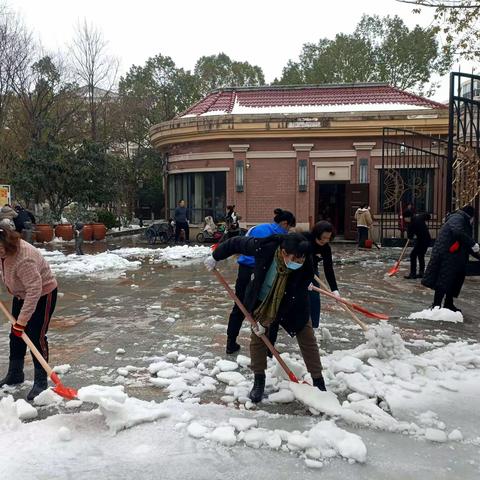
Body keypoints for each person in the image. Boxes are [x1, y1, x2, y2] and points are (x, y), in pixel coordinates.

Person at [205, 233, 327, 403]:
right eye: (295, 259)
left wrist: (269, 320)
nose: (298, 263)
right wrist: (215, 256)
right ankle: (259, 380)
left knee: (307, 337)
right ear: (283, 252)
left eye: (301, 260)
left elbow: (294, 295)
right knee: (258, 338)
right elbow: (235, 242)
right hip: (262, 300)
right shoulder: (264, 246)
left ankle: (319, 381)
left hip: (292, 302)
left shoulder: (305, 265)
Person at [225, 208, 296, 354]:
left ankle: (230, 343)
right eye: (289, 227)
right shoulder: (279, 236)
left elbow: (241, 245)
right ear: (284, 223)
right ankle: (268, 349)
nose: (288, 231)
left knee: (239, 306)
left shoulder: (257, 228)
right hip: (262, 274)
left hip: (244, 271)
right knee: (268, 308)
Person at [0, 226, 58, 400]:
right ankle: (15, 374)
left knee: (35, 336)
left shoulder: (24, 258)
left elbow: (34, 290)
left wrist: (22, 321)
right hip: (21, 293)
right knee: (15, 335)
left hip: (42, 294)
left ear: (6, 245)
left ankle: (41, 381)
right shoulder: (3, 251)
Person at [422, 205, 479, 312]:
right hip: (447, 255)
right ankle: (436, 305)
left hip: (455, 256)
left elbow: (466, 243)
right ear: (470, 215)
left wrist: (476, 251)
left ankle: (448, 304)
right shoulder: (458, 218)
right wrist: (473, 244)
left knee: (454, 280)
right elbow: (458, 233)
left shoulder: (462, 220)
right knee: (444, 280)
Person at [403, 211, 431, 279]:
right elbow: (427, 215)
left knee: (413, 255)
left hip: (421, 241)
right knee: (420, 255)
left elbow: (410, 236)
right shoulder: (419, 217)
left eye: (404, 218)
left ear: (408, 217)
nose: (404, 219)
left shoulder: (411, 224)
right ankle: (421, 273)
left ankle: (413, 274)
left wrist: (409, 235)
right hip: (427, 239)